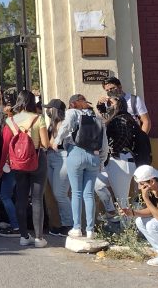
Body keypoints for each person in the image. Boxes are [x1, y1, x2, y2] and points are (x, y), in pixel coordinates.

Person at [0, 90, 50, 247]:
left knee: (20, 198)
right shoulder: (38, 118)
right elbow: (46, 144)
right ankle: (39, 238)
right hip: (37, 160)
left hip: (18, 163)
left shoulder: (11, 121)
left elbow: (6, 145)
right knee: (36, 199)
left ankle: (23, 236)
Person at [55, 94, 108, 239]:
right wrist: (101, 160)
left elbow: (65, 127)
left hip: (76, 154)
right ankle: (90, 230)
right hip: (93, 157)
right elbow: (104, 142)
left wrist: (57, 141)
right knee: (89, 194)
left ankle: (77, 228)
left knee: (76, 193)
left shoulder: (72, 113)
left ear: (72, 104)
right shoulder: (97, 117)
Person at [120, 165, 158, 274]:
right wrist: (133, 213)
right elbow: (154, 210)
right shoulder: (156, 188)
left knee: (153, 225)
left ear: (151, 181)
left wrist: (145, 198)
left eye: (142, 184)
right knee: (140, 221)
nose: (139, 188)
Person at [94, 94, 140, 224]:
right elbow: (106, 118)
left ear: (119, 105)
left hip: (121, 160)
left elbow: (124, 136)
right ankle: (111, 211)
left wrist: (114, 150)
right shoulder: (116, 117)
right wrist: (100, 104)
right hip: (115, 161)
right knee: (97, 183)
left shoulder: (122, 119)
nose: (108, 104)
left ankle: (127, 231)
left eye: (111, 102)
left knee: (122, 200)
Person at [43, 98, 73, 236]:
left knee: (60, 193)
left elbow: (52, 143)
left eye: (49, 108)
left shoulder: (64, 124)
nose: (47, 111)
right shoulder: (51, 124)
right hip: (51, 158)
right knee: (57, 194)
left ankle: (69, 224)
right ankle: (61, 223)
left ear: (55, 110)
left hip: (63, 158)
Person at [0, 90, 21, 237]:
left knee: (5, 195)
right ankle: (20, 224)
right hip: (24, 162)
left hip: (10, 164)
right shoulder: (23, 121)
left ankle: (16, 226)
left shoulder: (9, 125)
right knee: (18, 195)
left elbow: (5, 147)